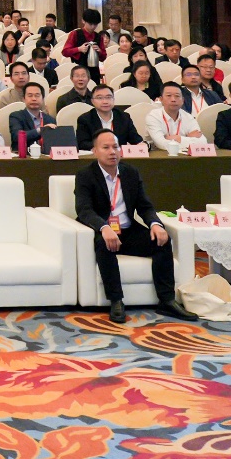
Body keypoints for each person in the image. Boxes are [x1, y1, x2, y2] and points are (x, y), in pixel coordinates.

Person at [74, 132, 196, 324]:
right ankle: (116, 300)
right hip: (102, 231)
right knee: (104, 245)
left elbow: (144, 206)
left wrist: (156, 224)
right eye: (106, 147)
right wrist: (104, 227)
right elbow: (84, 210)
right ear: (95, 151)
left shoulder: (130, 173)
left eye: (115, 147)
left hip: (127, 230)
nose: (112, 152)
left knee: (162, 241)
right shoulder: (85, 175)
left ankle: (167, 300)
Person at [76, 84, 144, 150]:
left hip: (119, 156)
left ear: (113, 99)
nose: (105, 101)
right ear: (92, 101)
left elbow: (136, 140)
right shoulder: (85, 119)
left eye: (108, 97)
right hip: (96, 156)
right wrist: (106, 147)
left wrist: (144, 144)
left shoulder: (124, 117)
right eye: (99, 98)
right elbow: (82, 144)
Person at [145, 83, 197, 153]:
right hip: (159, 156)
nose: (173, 99)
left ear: (182, 100)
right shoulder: (153, 116)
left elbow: (202, 142)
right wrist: (188, 140)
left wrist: (178, 138)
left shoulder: (188, 117)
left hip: (185, 156)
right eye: (169, 96)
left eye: (177, 96)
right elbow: (161, 143)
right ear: (161, 99)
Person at [7, 82, 56, 152]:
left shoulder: (50, 120)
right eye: (30, 95)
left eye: (37, 95)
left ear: (43, 99)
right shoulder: (16, 116)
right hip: (24, 156)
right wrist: (40, 130)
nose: (34, 99)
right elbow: (17, 137)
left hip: (46, 156)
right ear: (23, 99)